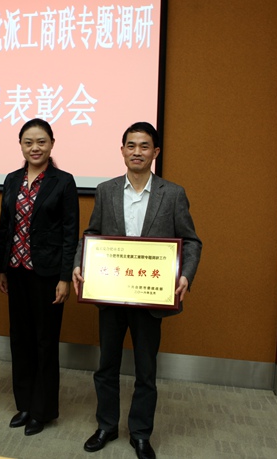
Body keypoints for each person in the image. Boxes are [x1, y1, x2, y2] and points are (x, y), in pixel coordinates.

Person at [72, 122, 202, 459]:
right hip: (110, 293)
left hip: (150, 296)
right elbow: (91, 233)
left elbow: (191, 241)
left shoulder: (172, 193)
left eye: (144, 146)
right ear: (122, 150)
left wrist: (185, 275)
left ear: (155, 152)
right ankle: (106, 426)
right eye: (130, 145)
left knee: (146, 370)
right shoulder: (106, 190)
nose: (137, 152)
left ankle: (141, 433)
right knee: (107, 366)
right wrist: (79, 263)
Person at [0, 118, 79, 436]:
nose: (35, 147)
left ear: (52, 144)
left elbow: (70, 233)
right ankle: (25, 404)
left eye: (41, 141)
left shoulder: (63, 181)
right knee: (20, 340)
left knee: (45, 342)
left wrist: (64, 278)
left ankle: (42, 411)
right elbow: (6, 226)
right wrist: (1, 268)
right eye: (28, 142)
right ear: (20, 145)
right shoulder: (12, 179)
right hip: (15, 271)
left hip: (47, 274)